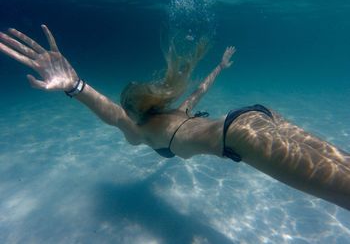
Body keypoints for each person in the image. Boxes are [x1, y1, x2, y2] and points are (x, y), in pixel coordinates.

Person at [0, 25, 349, 211]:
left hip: (241, 135)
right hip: (259, 114)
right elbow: (200, 89)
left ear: (134, 111)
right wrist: (220, 66)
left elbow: (108, 111)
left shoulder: (138, 130)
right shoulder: (178, 110)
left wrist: (76, 86)